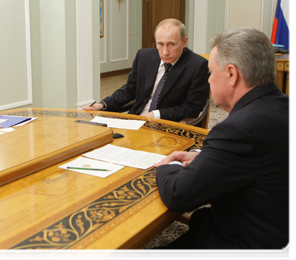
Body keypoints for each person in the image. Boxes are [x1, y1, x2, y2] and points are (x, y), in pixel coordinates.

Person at [139, 28, 292, 260]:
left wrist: (168, 165)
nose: (208, 80)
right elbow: (256, 160)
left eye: (210, 73)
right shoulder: (284, 106)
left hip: (251, 246)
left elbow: (179, 194)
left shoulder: (237, 128)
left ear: (231, 73)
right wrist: (204, 158)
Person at [82, 18, 210, 122]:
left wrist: (155, 114)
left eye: (171, 44)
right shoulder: (143, 56)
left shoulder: (198, 66)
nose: (165, 52)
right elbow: (129, 90)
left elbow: (192, 108)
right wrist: (102, 105)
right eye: (160, 44)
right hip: (135, 121)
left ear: (184, 41)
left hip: (168, 125)